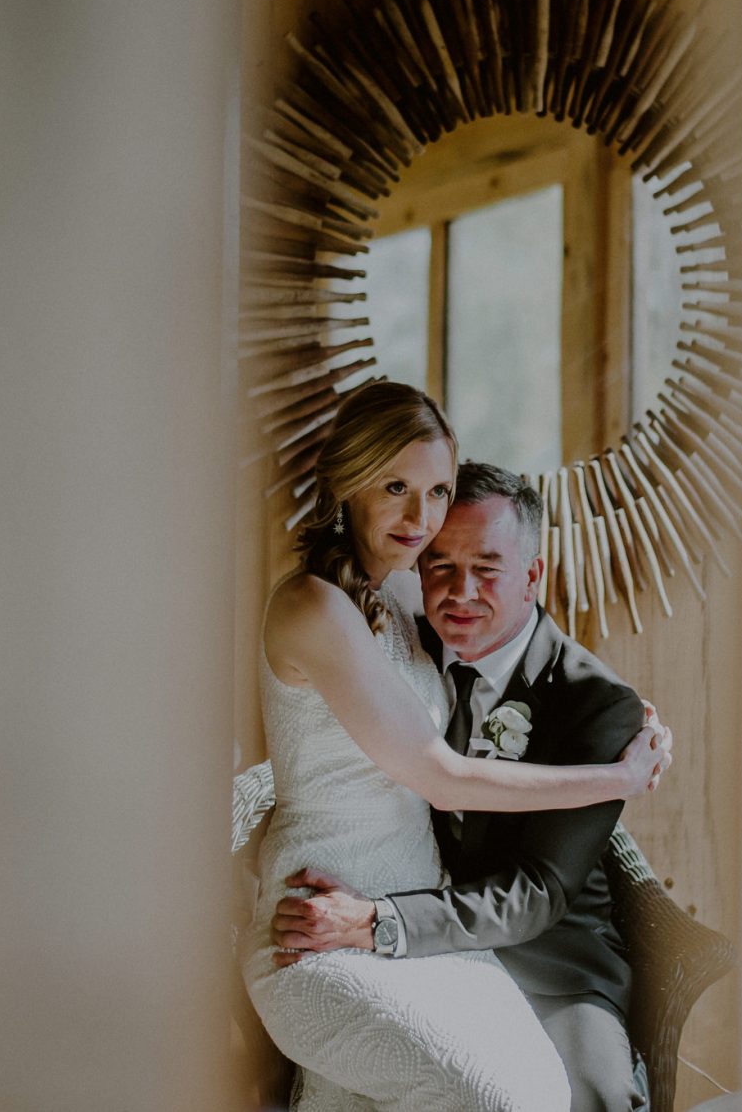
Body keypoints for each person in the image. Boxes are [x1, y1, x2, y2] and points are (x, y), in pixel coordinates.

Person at [242, 381, 668, 1112]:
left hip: (451, 934)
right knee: (495, 1095)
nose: (421, 517)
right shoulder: (315, 604)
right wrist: (617, 775)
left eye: (437, 490)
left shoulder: (407, 599)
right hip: (323, 916)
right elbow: (438, 777)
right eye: (397, 486)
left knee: (537, 1092)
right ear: (349, 483)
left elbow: (497, 628)